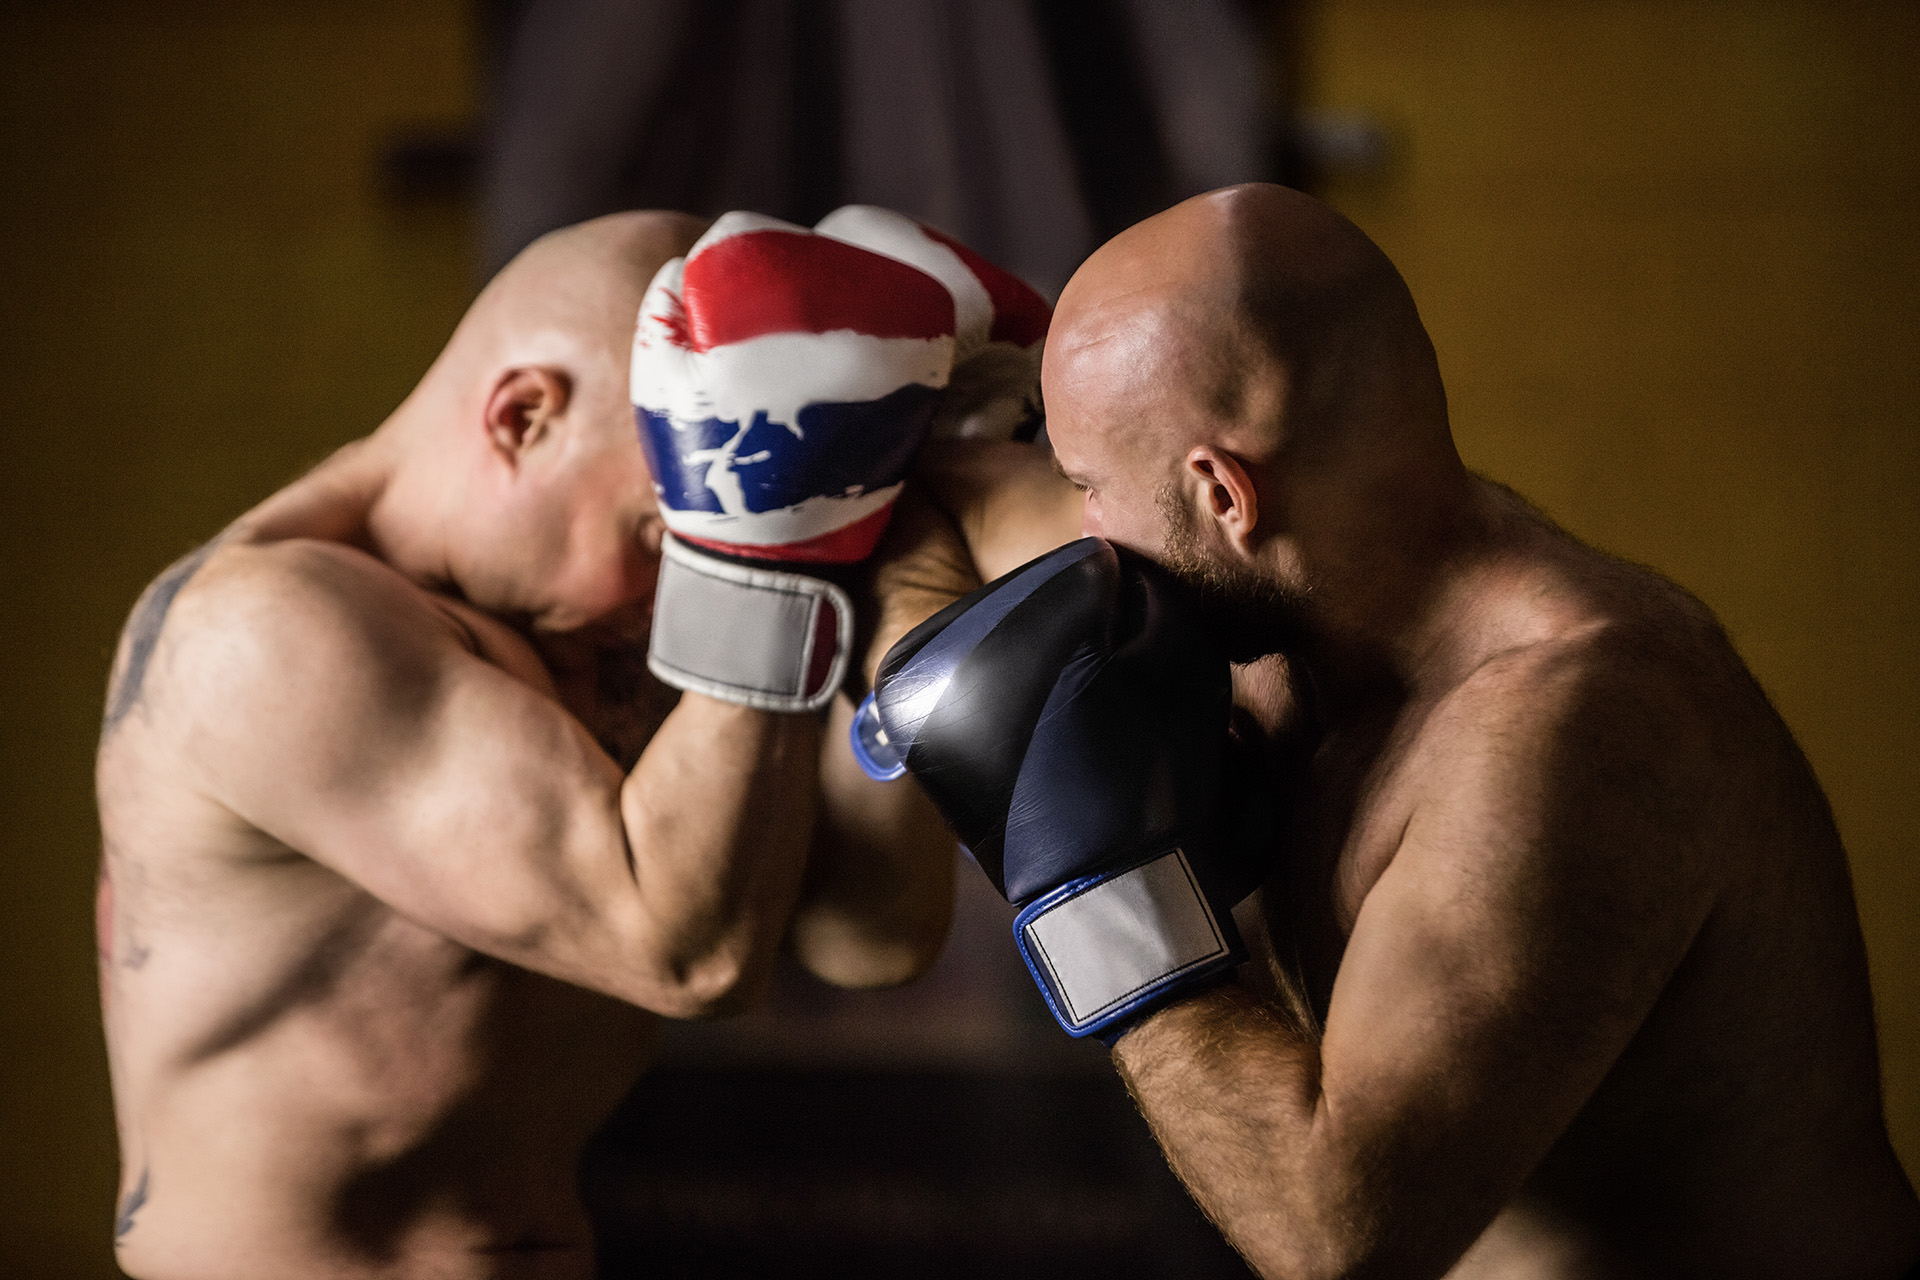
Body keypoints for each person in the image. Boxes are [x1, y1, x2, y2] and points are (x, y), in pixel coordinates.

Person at [872, 184, 1920, 1277]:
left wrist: (1108, 905)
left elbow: (1333, 1242)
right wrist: (842, 456)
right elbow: (953, 514)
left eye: (1089, 486)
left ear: (1225, 493)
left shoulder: (1564, 738)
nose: (1082, 529)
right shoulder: (1305, 573)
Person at [94, 206, 1020, 1280]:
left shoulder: (603, 625)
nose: (677, 586)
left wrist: (882, 547)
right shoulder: (259, 632)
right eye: (665, 532)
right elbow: (687, 952)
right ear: (523, 416)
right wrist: (757, 559)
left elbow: (869, 936)